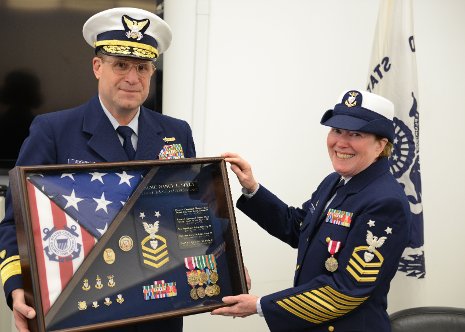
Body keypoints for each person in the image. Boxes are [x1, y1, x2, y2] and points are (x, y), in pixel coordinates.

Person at [0, 7, 196, 332]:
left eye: (143, 67)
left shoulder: (178, 132)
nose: (133, 78)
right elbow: (13, 222)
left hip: (159, 310)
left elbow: (189, 213)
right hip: (82, 310)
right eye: (121, 65)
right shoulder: (53, 130)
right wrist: (17, 285)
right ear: (97, 66)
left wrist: (221, 258)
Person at [212, 89, 411, 331]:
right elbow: (298, 228)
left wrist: (260, 305)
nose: (341, 142)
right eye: (337, 130)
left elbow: (345, 291)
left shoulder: (385, 202)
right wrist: (252, 188)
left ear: (381, 145)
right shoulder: (335, 181)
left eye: (356, 134)